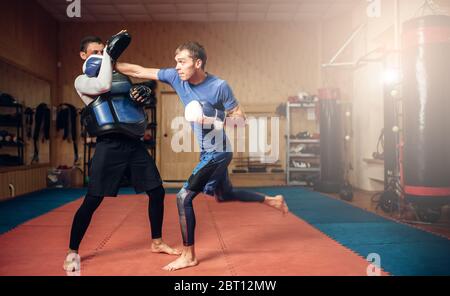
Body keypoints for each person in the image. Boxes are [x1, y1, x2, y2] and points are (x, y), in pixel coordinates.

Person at [116, 41, 289, 271]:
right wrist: (109, 63)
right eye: (175, 62)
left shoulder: (219, 86)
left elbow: (241, 120)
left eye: (182, 62)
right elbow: (138, 70)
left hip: (219, 152)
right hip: (208, 151)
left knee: (183, 197)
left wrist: (214, 116)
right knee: (224, 195)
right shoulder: (176, 77)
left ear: (197, 63)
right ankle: (272, 200)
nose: (177, 67)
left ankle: (189, 255)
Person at [63, 32, 179, 272]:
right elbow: (103, 86)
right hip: (109, 145)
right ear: (83, 56)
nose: (100, 55)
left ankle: (156, 242)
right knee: (93, 199)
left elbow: (128, 106)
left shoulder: (122, 78)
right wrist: (107, 55)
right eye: (94, 52)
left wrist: (141, 96)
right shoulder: (82, 80)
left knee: (156, 192)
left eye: (102, 50)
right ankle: (72, 251)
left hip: (134, 144)